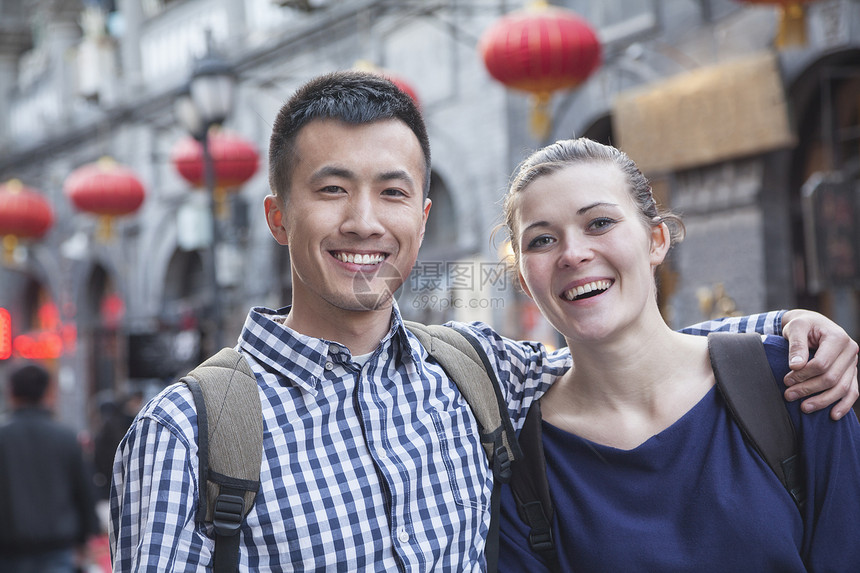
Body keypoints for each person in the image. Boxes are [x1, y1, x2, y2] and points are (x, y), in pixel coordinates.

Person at [110, 71, 859, 571]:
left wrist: (792, 329)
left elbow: (628, 353)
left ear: (423, 217)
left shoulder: (472, 371)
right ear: (279, 215)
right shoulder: (190, 432)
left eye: (392, 192)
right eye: (332, 189)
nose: (364, 221)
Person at [497, 137, 860, 571]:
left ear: (656, 241)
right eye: (541, 240)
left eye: (598, 223)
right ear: (523, 278)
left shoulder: (794, 381)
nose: (573, 254)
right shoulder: (520, 460)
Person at [0, 362, 100, 573]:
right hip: (57, 548)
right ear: (48, 392)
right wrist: (84, 538)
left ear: (11, 392)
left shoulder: (3, 438)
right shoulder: (66, 438)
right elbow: (84, 492)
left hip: (8, 549)